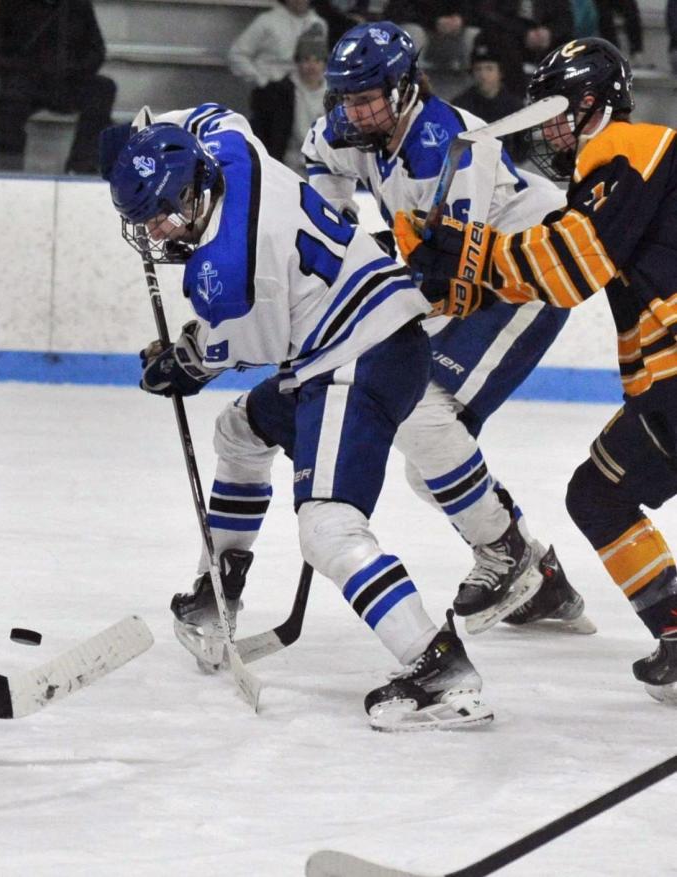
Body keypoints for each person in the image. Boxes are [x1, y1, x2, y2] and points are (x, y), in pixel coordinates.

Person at [104, 104, 494, 731]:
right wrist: (136, 139)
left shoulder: (226, 272)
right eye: (145, 220)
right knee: (240, 431)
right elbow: (212, 113)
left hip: (357, 360)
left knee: (328, 530)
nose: (158, 232)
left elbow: (248, 345)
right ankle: (218, 587)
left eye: (166, 214)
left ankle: (440, 667)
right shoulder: (231, 149)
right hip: (360, 341)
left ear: (196, 192)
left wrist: (185, 361)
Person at [395, 37, 677, 704]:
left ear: (588, 101)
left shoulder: (633, 149)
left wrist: (463, 250)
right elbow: (547, 262)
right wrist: (457, 263)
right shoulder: (607, 177)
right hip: (665, 391)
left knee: (600, 491)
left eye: (554, 111)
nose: (547, 130)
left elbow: (569, 265)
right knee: (597, 493)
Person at [303, 22, 592, 635]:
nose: (353, 112)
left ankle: (506, 556)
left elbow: (450, 285)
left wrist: (366, 304)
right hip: (466, 273)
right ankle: (541, 576)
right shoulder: (347, 128)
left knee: (425, 416)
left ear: (405, 88)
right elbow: (321, 196)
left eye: (367, 97)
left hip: (524, 271)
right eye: (346, 98)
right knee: (430, 462)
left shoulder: (446, 149)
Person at [0, 0, 117, 174]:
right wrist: (20, 69)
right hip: (24, 80)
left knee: (103, 88)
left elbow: (97, 51)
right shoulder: (11, 4)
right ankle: (9, 170)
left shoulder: (78, 5)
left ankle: (81, 165)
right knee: (11, 99)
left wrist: (74, 69)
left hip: (67, 80)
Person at [248, 28, 328, 169]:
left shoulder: (336, 94)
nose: (312, 66)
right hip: (288, 166)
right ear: (297, 62)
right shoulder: (276, 93)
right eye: (306, 60)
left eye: (317, 60)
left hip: (326, 167)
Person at [228, 0, 328, 95]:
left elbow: (319, 62)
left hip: (305, 96)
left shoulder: (318, 24)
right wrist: (261, 81)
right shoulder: (266, 21)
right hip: (270, 93)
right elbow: (237, 54)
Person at [453, 38, 526, 159]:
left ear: (500, 73)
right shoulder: (461, 104)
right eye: (478, 69)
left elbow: (522, 146)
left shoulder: (514, 106)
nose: (483, 75)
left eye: (489, 69)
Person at [383, 0, 476, 70]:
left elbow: (476, 13)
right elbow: (395, 13)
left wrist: (461, 20)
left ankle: (473, 81)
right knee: (414, 31)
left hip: (450, 38)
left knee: (472, 34)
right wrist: (434, 23)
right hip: (422, 36)